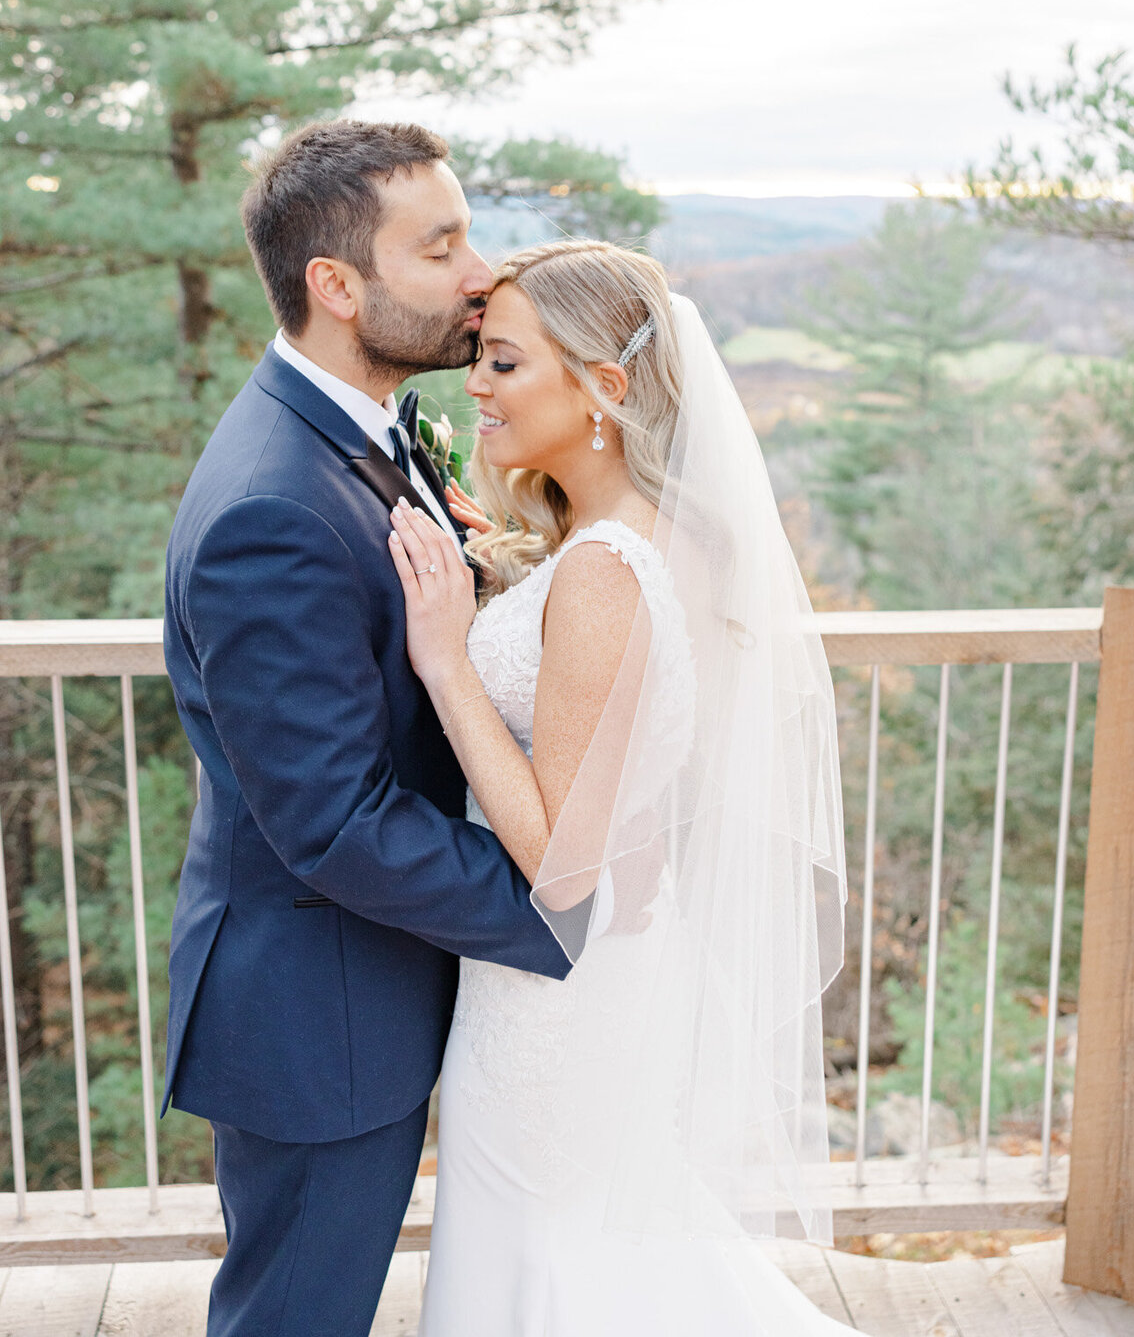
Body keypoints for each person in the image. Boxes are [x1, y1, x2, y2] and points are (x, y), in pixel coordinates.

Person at [387, 239, 853, 1336]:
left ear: (605, 384)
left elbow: (559, 862)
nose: (477, 385)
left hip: (557, 988)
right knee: (605, 1249)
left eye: (505, 362)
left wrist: (451, 658)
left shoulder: (603, 571)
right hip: (627, 963)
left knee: (546, 1257)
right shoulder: (657, 536)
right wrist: (510, 570)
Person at [161, 119, 572, 1337]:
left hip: (369, 981)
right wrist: (557, 902)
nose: (480, 274)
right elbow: (333, 818)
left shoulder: (367, 433)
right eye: (441, 245)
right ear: (336, 285)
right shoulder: (268, 510)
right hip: (314, 1014)